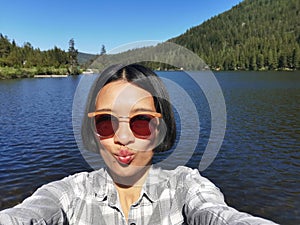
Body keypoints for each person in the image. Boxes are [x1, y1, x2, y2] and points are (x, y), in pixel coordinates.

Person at [0, 64, 277, 225]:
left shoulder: (186, 186)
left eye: (140, 121)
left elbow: (217, 215)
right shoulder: (69, 193)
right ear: (95, 131)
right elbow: (26, 215)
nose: (123, 137)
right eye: (106, 122)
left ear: (159, 129)